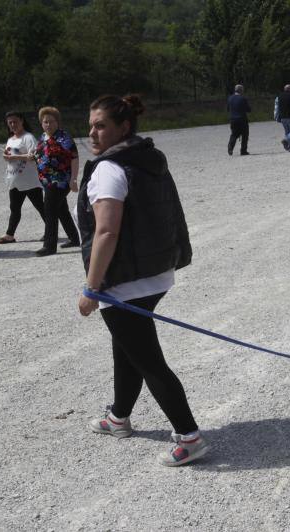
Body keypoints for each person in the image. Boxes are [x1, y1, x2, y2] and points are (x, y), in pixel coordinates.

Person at [77, 94, 208, 467]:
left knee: (148, 360)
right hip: (154, 273)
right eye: (91, 125)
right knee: (128, 347)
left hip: (124, 281)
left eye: (101, 125)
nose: (93, 132)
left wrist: (91, 287)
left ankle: (190, 437)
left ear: (124, 128)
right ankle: (118, 417)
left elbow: (106, 233)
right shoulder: (145, 159)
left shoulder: (108, 169)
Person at [34, 106, 80, 255]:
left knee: (49, 210)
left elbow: (74, 158)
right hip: (46, 181)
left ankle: (49, 246)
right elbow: (38, 155)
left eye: (51, 121)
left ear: (57, 122)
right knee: (61, 209)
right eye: (45, 122)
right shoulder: (42, 137)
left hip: (60, 181)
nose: (48, 124)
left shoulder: (64, 137)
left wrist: (73, 179)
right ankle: (74, 238)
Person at [0, 111, 45, 244]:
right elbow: (12, 158)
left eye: (15, 121)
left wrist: (12, 157)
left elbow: (34, 156)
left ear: (22, 121)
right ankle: (9, 235)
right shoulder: (10, 139)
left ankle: (51, 230)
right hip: (15, 181)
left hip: (30, 181)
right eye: (10, 122)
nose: (12, 125)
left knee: (41, 207)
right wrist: (7, 156)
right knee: (15, 209)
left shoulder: (28, 137)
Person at [227, 84, 251, 155]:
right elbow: (248, 109)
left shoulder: (230, 98)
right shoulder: (243, 98)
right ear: (241, 90)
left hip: (233, 119)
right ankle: (243, 151)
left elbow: (228, 109)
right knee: (245, 135)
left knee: (234, 134)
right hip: (242, 119)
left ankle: (230, 147)